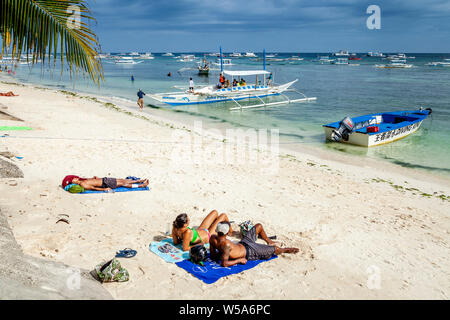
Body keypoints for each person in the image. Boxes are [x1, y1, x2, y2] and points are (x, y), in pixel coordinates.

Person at [210, 222, 299, 267]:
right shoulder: (226, 244)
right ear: (226, 233)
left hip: (244, 243)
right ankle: (285, 250)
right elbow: (224, 263)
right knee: (275, 249)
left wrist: (221, 254)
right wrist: (239, 260)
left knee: (258, 226)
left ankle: (269, 240)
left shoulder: (212, 238)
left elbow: (213, 255)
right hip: (250, 251)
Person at [68, 176, 149, 191]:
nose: (74, 178)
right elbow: (94, 188)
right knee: (123, 184)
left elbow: (94, 181)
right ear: (74, 183)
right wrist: (104, 189)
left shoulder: (83, 180)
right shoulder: (83, 185)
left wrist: (95, 178)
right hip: (105, 184)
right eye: (73, 179)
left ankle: (138, 181)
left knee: (122, 180)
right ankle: (141, 185)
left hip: (105, 179)